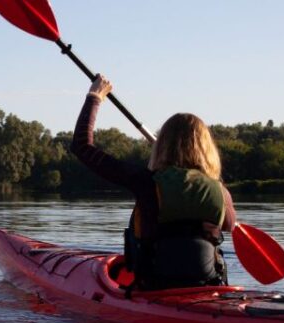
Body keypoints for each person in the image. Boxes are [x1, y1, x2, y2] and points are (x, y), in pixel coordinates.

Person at [70, 74, 236, 291]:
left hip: (155, 288)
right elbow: (230, 225)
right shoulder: (221, 192)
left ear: (162, 145)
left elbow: (82, 146)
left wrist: (95, 96)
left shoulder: (145, 182)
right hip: (208, 287)